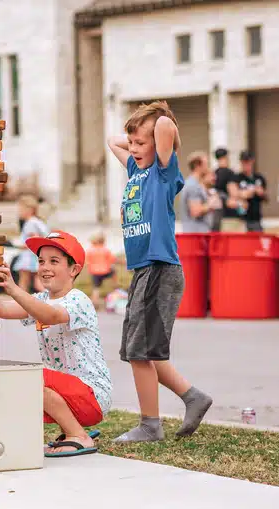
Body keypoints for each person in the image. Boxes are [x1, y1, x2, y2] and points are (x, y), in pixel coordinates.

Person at [106, 101, 213, 443]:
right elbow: (113, 141)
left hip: (159, 268)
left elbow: (165, 125)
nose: (133, 149)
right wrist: (138, 135)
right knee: (143, 349)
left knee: (140, 352)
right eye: (133, 143)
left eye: (141, 143)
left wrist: (159, 116)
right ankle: (193, 397)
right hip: (143, 270)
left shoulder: (164, 173)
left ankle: (150, 426)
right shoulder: (137, 171)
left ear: (160, 145)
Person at [0, 231, 113, 457]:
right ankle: (70, 431)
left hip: (93, 394)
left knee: (32, 377)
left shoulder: (78, 300)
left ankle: (79, 436)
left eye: (54, 261)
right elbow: (4, 310)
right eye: (41, 261)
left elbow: (50, 316)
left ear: (74, 270)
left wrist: (14, 288)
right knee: (24, 384)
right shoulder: (40, 300)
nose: (44, 267)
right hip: (69, 394)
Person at [13, 194, 49, 293]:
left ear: (29, 209)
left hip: (28, 257)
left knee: (24, 282)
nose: (18, 212)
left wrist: (19, 245)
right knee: (37, 282)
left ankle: (20, 303)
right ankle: (50, 300)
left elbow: (34, 240)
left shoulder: (30, 223)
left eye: (20, 209)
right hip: (37, 256)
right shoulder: (37, 222)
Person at [179, 151, 221, 233]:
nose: (208, 168)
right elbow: (195, 211)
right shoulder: (193, 185)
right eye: (206, 164)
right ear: (197, 166)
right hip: (195, 235)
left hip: (200, 233)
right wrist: (211, 204)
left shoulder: (197, 184)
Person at [213, 147, 246, 232]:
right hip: (232, 217)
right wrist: (245, 194)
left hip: (218, 216)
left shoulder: (214, 174)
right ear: (226, 157)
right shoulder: (230, 173)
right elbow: (234, 193)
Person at [86, 232, 120, 310]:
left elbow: (87, 261)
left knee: (96, 288)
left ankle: (95, 304)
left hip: (95, 272)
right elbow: (113, 259)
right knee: (114, 271)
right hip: (105, 271)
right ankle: (116, 285)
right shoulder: (105, 250)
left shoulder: (90, 250)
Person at [236, 150, 267, 232]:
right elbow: (235, 195)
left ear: (252, 161)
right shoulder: (237, 178)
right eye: (244, 162)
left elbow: (265, 197)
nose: (246, 165)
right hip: (241, 218)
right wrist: (246, 193)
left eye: (248, 162)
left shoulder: (259, 178)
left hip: (256, 217)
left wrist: (261, 193)